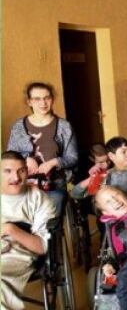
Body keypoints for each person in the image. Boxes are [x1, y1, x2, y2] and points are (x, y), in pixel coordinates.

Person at [1, 151, 56, 310]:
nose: (15, 177)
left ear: (27, 171)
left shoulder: (39, 199)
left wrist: (12, 230)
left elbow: (41, 246)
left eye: (21, 170)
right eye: (8, 171)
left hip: (20, 255)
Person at [6, 82, 78, 214]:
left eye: (47, 97)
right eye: (37, 99)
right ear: (29, 102)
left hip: (54, 183)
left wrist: (54, 162)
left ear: (52, 99)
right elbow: (9, 157)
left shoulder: (64, 126)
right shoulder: (18, 126)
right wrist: (26, 159)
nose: (43, 103)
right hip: (23, 183)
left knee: (48, 219)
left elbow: (73, 157)